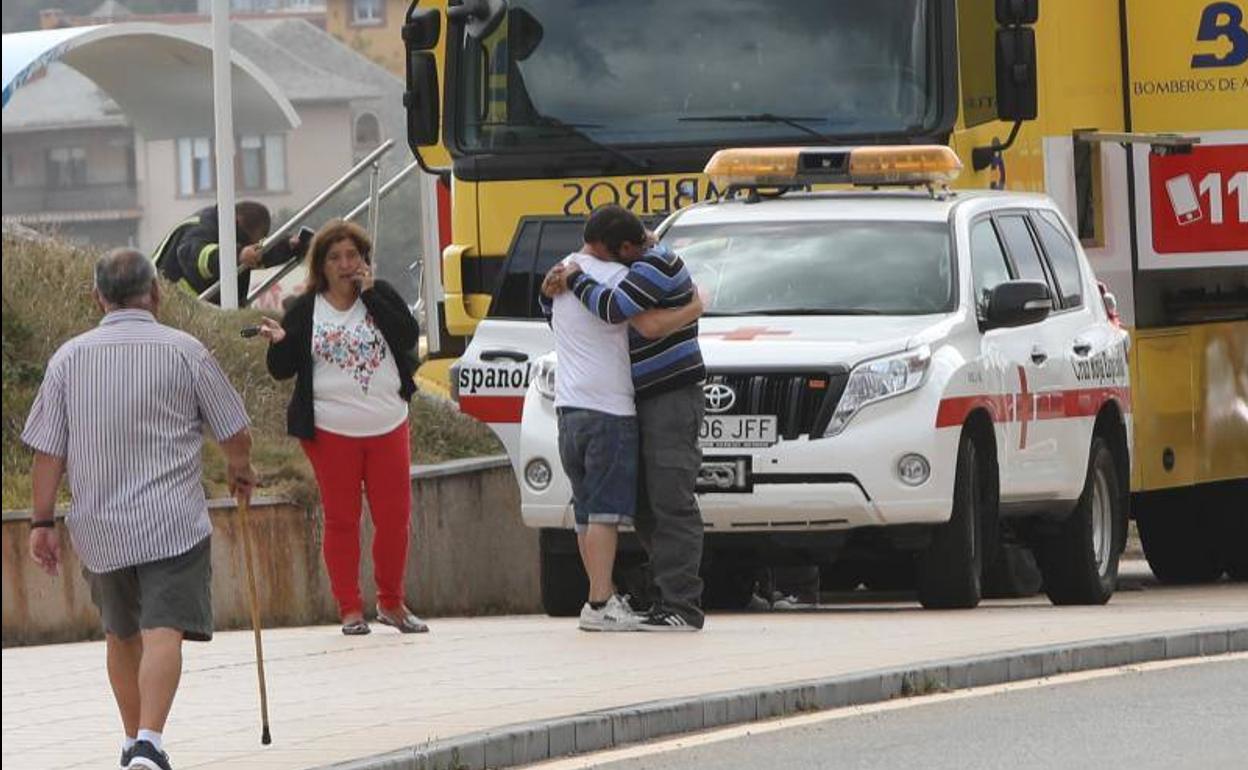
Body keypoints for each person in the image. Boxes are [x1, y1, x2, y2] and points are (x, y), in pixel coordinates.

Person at [23, 248, 255, 770]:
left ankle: (133, 742)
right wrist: (240, 470)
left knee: (121, 633)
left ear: (98, 297)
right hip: (171, 522)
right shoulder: (185, 351)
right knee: (163, 630)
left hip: (100, 526)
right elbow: (234, 430)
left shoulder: (68, 359)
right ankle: (149, 740)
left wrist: (41, 522)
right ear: (155, 292)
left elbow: (47, 451)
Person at [256, 219, 427, 636]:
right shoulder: (305, 308)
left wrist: (371, 295)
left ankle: (391, 603)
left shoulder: (379, 295)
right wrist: (279, 343)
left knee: (394, 519)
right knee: (342, 518)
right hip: (331, 429)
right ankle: (350, 608)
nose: (345, 264)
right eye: (335, 257)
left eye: (352, 255)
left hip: (388, 422)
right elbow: (282, 371)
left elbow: (406, 336)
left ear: (364, 258)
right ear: (322, 265)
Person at [543, 204, 707, 631]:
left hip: (668, 395)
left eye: (597, 251)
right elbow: (564, 315)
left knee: (669, 499)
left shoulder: (652, 264)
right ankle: (647, 599)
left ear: (624, 247)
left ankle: (680, 606)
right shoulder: (614, 267)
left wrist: (573, 279)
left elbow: (628, 316)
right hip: (631, 400)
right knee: (640, 505)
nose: (589, 255)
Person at [152, 201, 302, 304]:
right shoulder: (201, 228)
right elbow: (195, 257)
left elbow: (256, 254)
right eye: (245, 240)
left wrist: (289, 246)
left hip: (197, 306)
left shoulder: (228, 229)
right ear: (237, 222)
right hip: (168, 303)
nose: (247, 246)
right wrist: (238, 255)